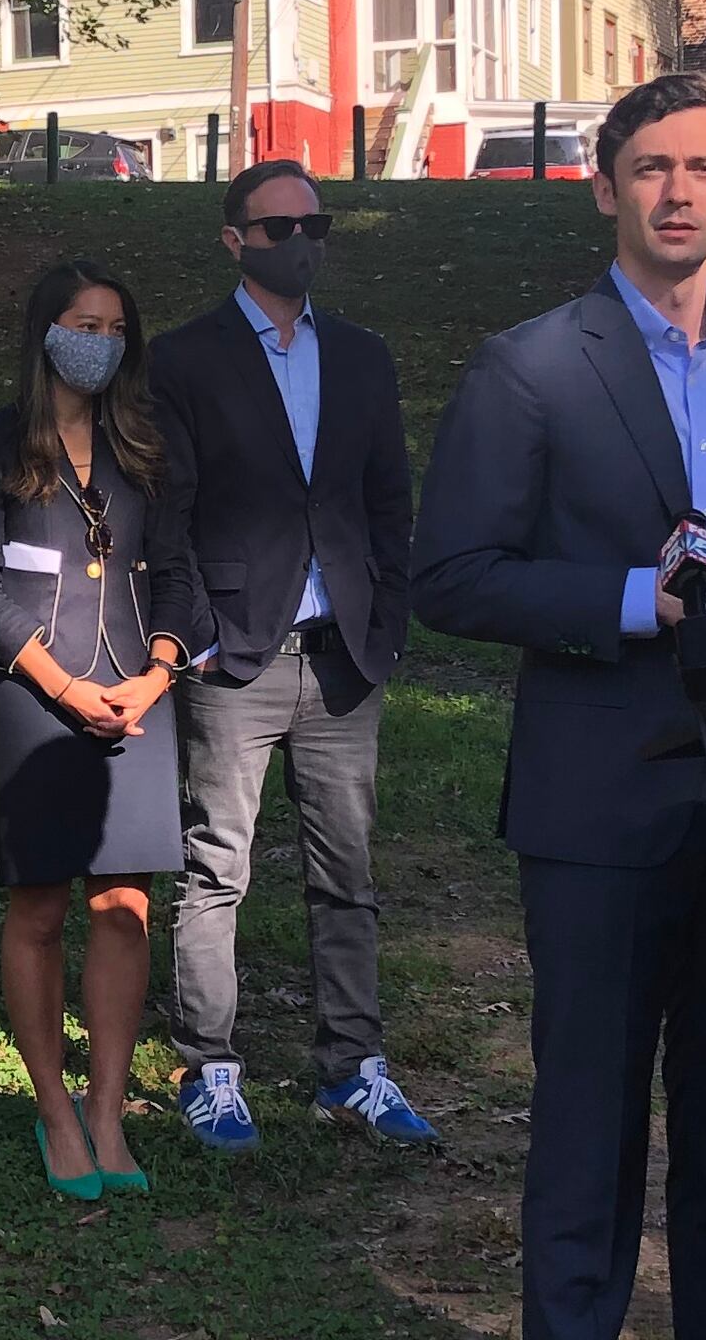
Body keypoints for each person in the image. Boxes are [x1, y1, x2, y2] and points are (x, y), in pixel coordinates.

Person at [412, 72, 706, 1340]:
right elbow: (449, 576)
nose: (678, 191)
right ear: (605, 187)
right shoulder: (531, 368)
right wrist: (640, 600)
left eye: (703, 169)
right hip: (599, 804)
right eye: (652, 168)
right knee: (591, 1120)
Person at [148, 158, 432, 1150]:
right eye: (278, 230)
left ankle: (354, 1070)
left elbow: (388, 497)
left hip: (346, 652)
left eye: (316, 225)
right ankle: (209, 1066)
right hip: (236, 654)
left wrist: (386, 620)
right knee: (216, 866)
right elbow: (170, 510)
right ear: (235, 240)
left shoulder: (361, 354)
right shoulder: (184, 359)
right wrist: (192, 631)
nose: (300, 243)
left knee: (346, 868)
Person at [0, 259, 199, 1199]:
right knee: (43, 908)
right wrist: (60, 685)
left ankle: (107, 1109)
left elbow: (177, 570)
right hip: (35, 700)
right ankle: (54, 1108)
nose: (96, 343)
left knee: (124, 905)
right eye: (80, 324)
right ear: (43, 331)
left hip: (139, 695)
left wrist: (157, 673)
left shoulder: (150, 446)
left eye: (111, 329)